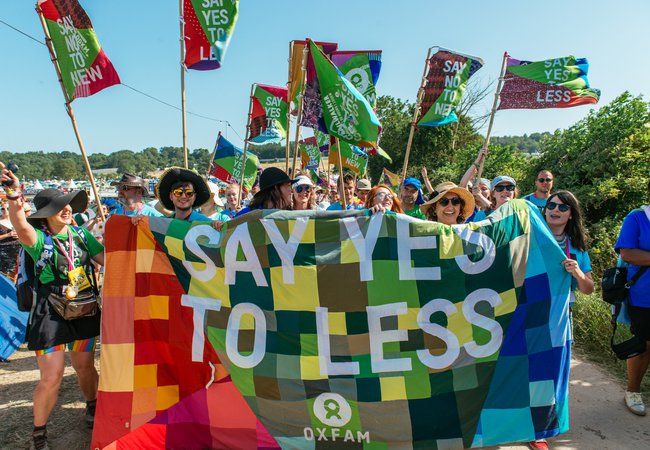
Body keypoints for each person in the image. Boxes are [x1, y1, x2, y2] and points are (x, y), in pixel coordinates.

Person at [1, 162, 103, 449]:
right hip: (51, 314)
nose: (69, 209)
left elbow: (109, 260)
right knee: (52, 376)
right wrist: (12, 194)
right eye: (62, 206)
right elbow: (20, 223)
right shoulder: (38, 240)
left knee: (85, 367)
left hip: (84, 310)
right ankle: (39, 433)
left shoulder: (82, 235)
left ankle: (92, 406)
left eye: (69, 204)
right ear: (47, 214)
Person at [615, 180, 650, 416]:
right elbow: (627, 253)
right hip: (644, 295)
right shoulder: (638, 217)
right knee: (645, 343)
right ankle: (633, 390)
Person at [0, 200, 21, 280]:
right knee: (4, 272)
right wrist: (7, 235)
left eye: (7, 208)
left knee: (15, 271)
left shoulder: (16, 220)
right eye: (3, 209)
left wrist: (19, 235)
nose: (5, 211)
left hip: (16, 248)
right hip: (3, 250)